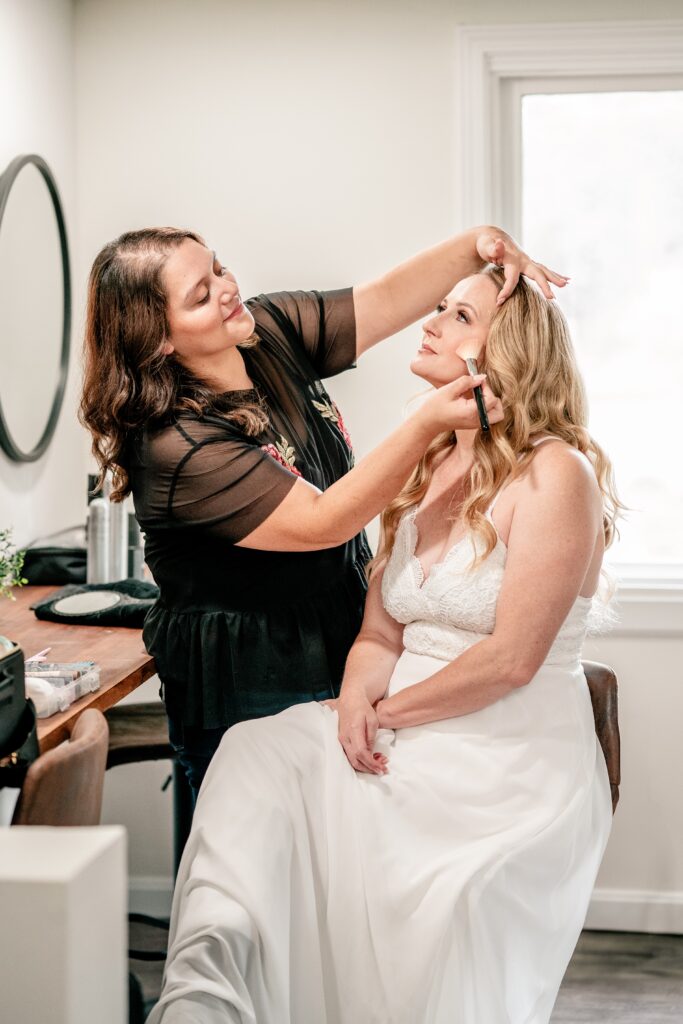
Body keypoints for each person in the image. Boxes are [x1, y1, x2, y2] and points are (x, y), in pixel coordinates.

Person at [147, 266, 622, 1024]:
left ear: (507, 351)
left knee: (429, 889)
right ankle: (207, 994)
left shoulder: (555, 473)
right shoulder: (429, 461)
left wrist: (386, 712)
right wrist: (354, 701)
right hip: (401, 716)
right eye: (437, 307)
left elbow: (511, 661)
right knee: (252, 754)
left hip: (506, 748)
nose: (429, 323)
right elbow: (379, 629)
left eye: (457, 315)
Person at [80, 226, 564, 802]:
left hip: (343, 626)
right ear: (158, 339)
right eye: (202, 296)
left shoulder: (265, 332)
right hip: (253, 662)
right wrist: (425, 424)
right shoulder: (176, 446)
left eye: (218, 268)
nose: (228, 288)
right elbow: (324, 522)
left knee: (336, 837)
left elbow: (383, 301)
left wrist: (479, 246)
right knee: (258, 839)